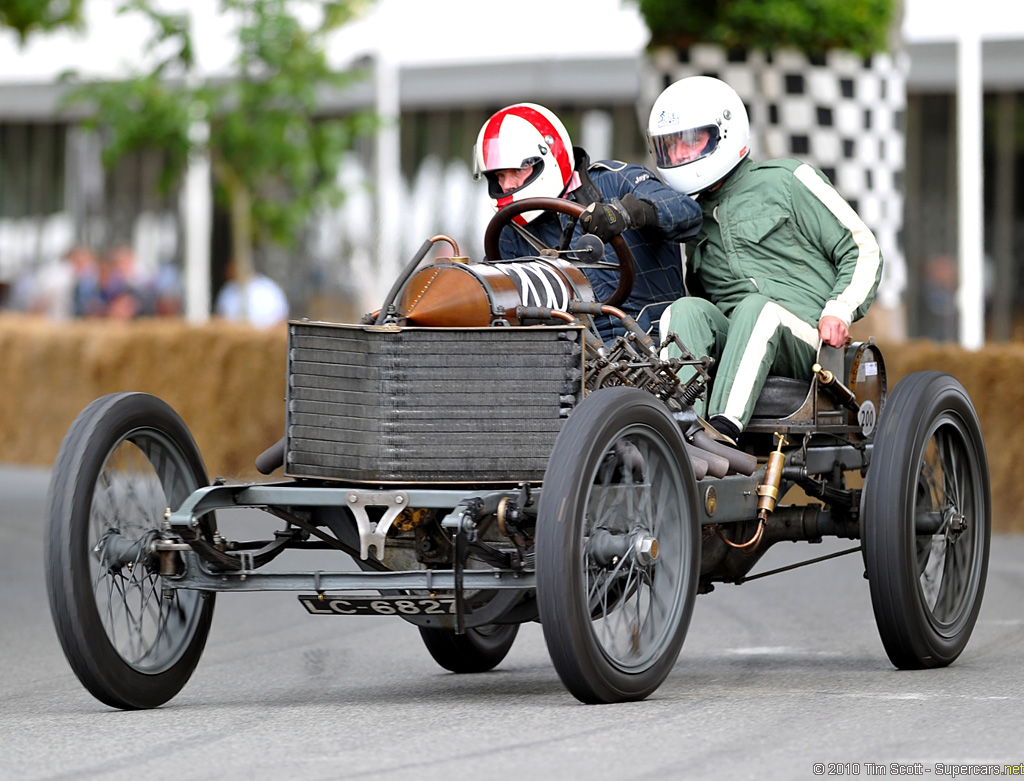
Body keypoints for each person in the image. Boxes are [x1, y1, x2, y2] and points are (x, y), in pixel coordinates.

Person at [648, 76, 883, 443]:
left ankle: (720, 435)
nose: (678, 156)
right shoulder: (691, 221)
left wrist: (840, 308)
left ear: (725, 133)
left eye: (690, 142)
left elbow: (862, 247)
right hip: (741, 347)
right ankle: (679, 435)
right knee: (684, 310)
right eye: (670, 146)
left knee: (759, 310)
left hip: (808, 343)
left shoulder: (788, 180)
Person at [473, 102, 702, 341]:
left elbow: (687, 211)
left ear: (548, 157)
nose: (507, 185)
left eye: (516, 171)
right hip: (571, 351)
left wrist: (625, 213)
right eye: (499, 176)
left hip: (658, 341)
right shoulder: (511, 230)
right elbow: (494, 299)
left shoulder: (618, 181)